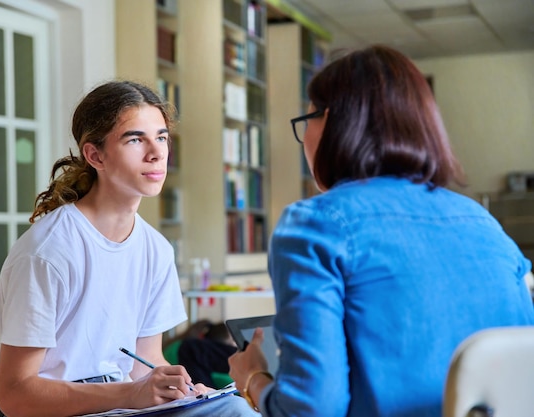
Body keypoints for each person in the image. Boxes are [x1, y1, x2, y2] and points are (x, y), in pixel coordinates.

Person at [228, 45, 534, 417]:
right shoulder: (486, 225)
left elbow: (311, 410)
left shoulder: (313, 226)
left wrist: (254, 378)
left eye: (307, 118)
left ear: (332, 122)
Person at [0, 80, 257, 417]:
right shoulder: (49, 251)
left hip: (119, 407)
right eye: (135, 139)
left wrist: (181, 392)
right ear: (95, 155)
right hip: (53, 411)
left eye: (161, 137)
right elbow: (15, 395)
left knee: (235, 408)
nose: (156, 152)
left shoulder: (155, 249)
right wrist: (128, 393)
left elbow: (145, 362)